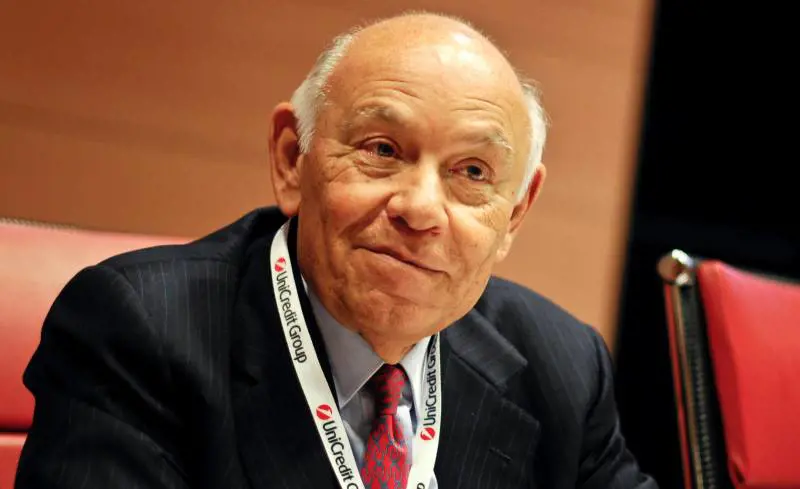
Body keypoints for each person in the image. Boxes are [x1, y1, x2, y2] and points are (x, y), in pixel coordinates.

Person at [15, 11, 657, 489]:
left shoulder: (560, 367)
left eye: (472, 172)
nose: (421, 209)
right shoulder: (140, 332)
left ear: (515, 212)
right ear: (292, 159)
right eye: (383, 151)